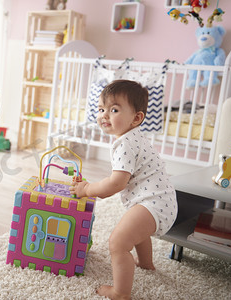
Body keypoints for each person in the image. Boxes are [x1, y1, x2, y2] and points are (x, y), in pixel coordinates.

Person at [70, 80, 177, 300]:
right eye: (101, 109)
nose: (104, 115)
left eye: (114, 110)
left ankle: (120, 292)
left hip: (153, 203)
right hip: (161, 202)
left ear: (136, 118)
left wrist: (87, 189)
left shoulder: (125, 144)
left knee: (118, 243)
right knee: (135, 231)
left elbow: (116, 183)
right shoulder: (133, 137)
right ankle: (146, 264)